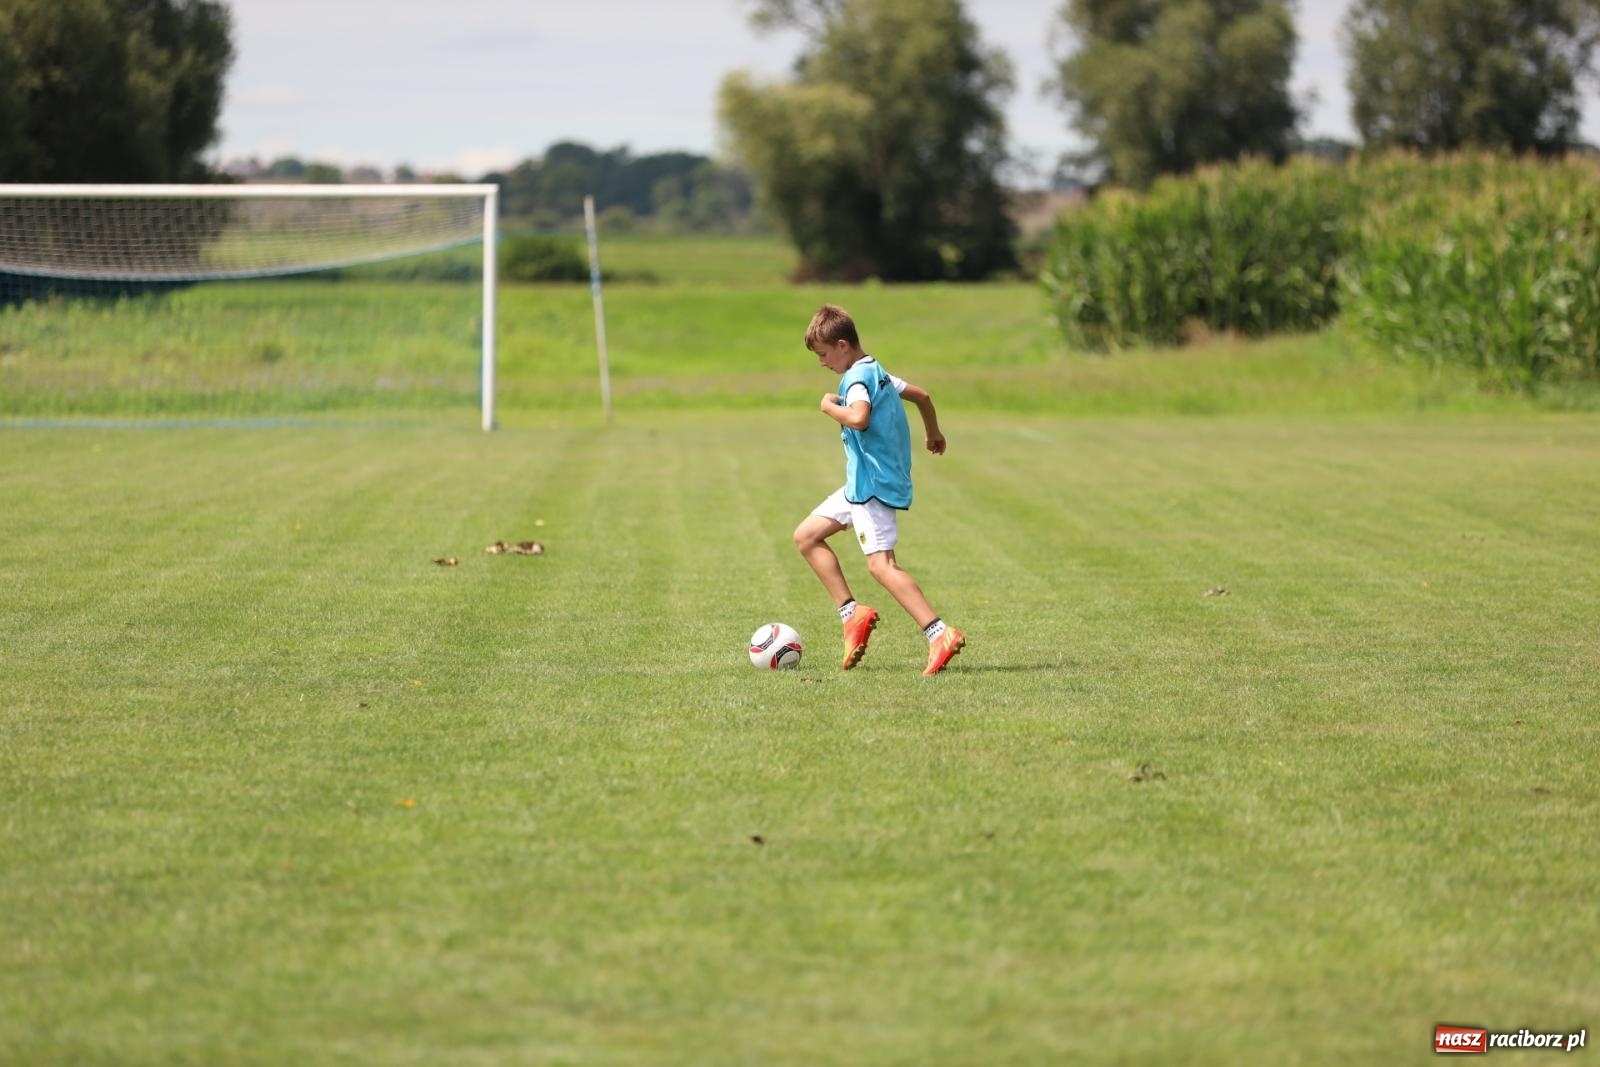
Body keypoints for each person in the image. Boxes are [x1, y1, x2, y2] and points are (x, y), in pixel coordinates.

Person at [792, 303, 966, 676]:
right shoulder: (877, 369)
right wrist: (933, 432)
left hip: (872, 486)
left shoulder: (856, 378)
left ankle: (939, 633)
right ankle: (852, 614)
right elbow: (922, 395)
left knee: (881, 566)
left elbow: (858, 417)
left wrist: (827, 407)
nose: (822, 363)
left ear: (842, 345)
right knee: (806, 537)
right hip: (861, 483)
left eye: (823, 354)